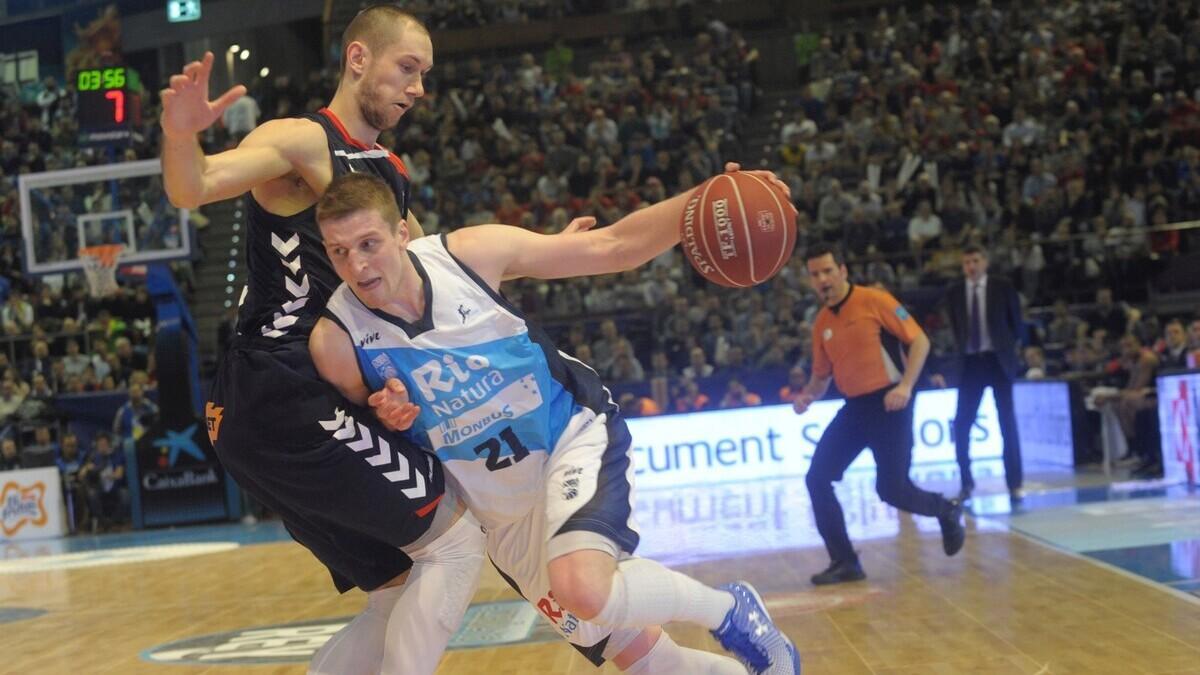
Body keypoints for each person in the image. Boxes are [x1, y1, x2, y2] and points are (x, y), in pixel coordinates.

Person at [310, 170, 801, 674]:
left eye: (368, 243)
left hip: (569, 435)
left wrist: (707, 197)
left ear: (401, 233)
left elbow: (614, 246)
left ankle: (729, 610)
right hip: (498, 511)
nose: (357, 265)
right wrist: (387, 413)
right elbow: (381, 437)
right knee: (639, 655)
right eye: (339, 252)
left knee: (583, 587)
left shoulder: (468, 253)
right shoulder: (336, 342)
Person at [161, 9, 490, 675]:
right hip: (284, 393)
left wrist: (544, 252)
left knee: (395, 588)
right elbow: (191, 185)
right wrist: (178, 134)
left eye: (424, 74)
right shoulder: (300, 141)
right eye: (408, 68)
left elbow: (435, 278)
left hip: (278, 403)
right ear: (359, 59)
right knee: (455, 545)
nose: (419, 87)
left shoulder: (384, 174)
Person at [791, 244, 965, 586]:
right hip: (855, 409)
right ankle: (845, 562)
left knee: (892, 489)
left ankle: (946, 509)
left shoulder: (876, 300)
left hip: (890, 404)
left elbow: (920, 342)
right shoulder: (822, 322)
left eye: (828, 271)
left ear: (842, 271)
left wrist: (906, 388)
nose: (823, 279)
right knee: (817, 478)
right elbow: (821, 376)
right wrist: (808, 395)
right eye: (815, 274)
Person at [943, 245, 1025, 503]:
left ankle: (1014, 483)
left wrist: (1009, 350)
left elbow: (1016, 323)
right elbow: (956, 328)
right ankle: (966, 482)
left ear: (985, 262)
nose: (971, 266)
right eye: (966, 262)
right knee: (962, 423)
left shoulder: (1002, 286)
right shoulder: (955, 291)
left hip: (997, 360)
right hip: (970, 363)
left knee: (1007, 423)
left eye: (976, 260)